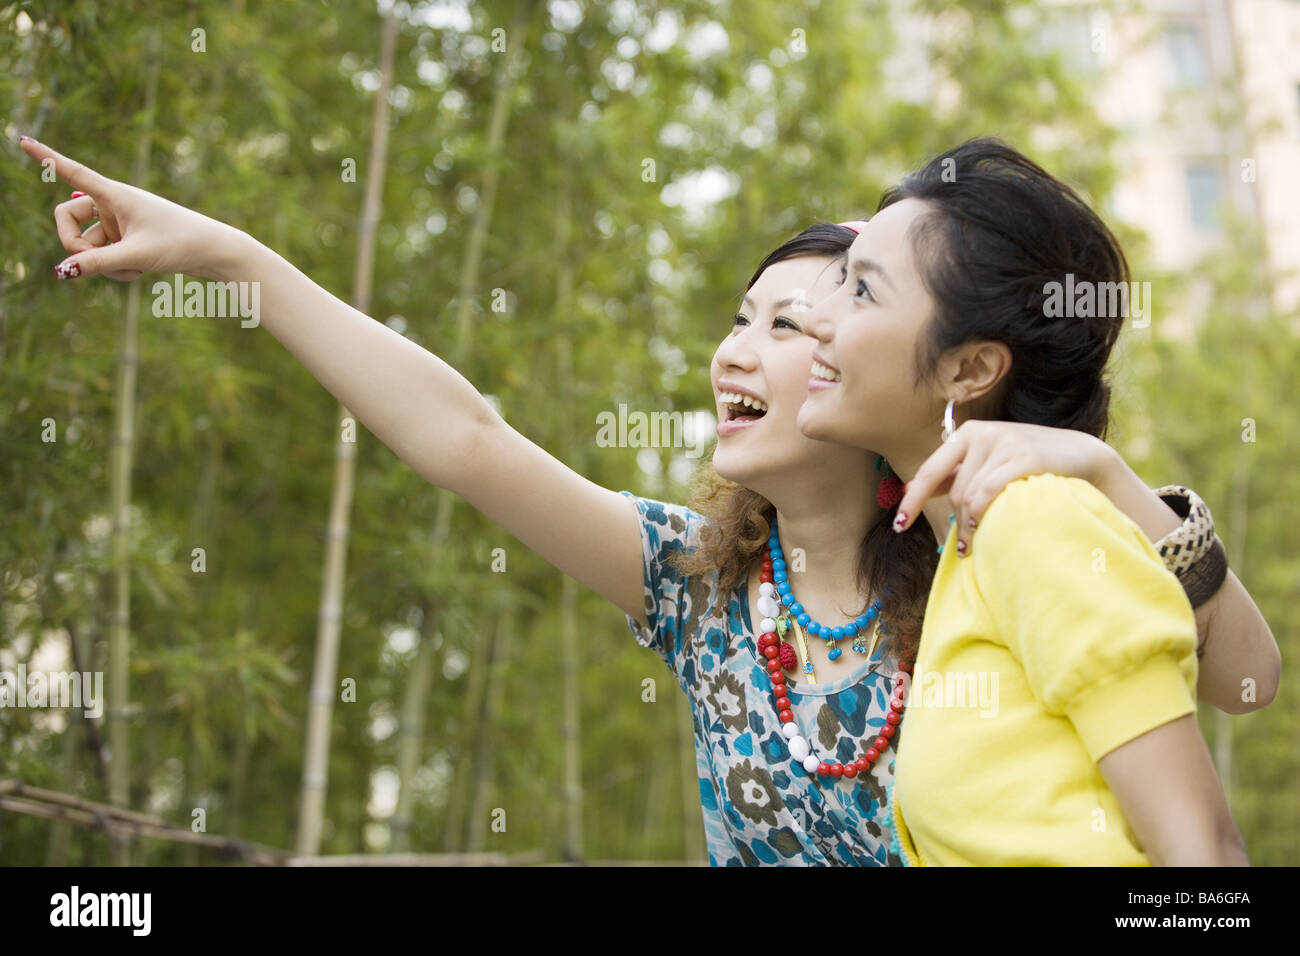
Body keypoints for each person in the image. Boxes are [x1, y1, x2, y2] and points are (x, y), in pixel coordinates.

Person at [17, 136, 1277, 866]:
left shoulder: (993, 545)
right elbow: (462, 434)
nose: (746, 349)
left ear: (931, 364)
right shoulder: (700, 584)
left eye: (807, 318)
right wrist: (230, 254)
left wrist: (1112, 482)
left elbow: (1234, 691)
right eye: (746, 318)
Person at [797, 136, 1262, 864]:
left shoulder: (1029, 520)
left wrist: (1107, 472)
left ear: (972, 368)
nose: (814, 316)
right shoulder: (961, 555)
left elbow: (1207, 856)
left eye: (861, 289)